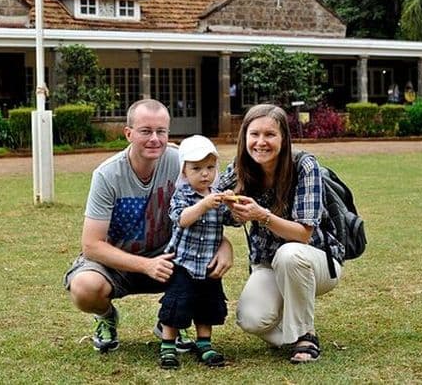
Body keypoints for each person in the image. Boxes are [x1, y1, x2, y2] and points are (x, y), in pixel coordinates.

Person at [63, 99, 234, 354]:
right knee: (85, 287)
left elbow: (208, 206)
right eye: (145, 131)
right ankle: (106, 317)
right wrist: (146, 265)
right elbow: (91, 246)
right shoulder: (107, 175)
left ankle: (172, 320)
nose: (155, 139)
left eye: (161, 131)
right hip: (117, 262)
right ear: (128, 133)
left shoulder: (183, 162)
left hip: (170, 257)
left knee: (202, 267)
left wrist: (224, 244)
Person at [218, 104, 342, 364]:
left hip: (314, 261)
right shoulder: (241, 167)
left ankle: (306, 334)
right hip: (269, 264)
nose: (260, 142)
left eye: (270, 135)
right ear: (244, 137)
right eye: (254, 134)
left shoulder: (304, 166)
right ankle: (293, 338)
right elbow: (211, 201)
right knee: (250, 319)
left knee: (290, 254)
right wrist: (229, 210)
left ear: (284, 138)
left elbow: (304, 234)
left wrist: (261, 215)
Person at [157, 135, 240, 369]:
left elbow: (229, 220)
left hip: (209, 264)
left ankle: (204, 343)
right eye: (197, 168)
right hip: (183, 263)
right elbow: (181, 219)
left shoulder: (217, 195)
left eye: (210, 167)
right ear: (184, 171)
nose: (205, 173)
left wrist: (234, 207)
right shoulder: (182, 194)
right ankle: (168, 346)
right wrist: (203, 205)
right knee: (176, 304)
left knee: (207, 304)